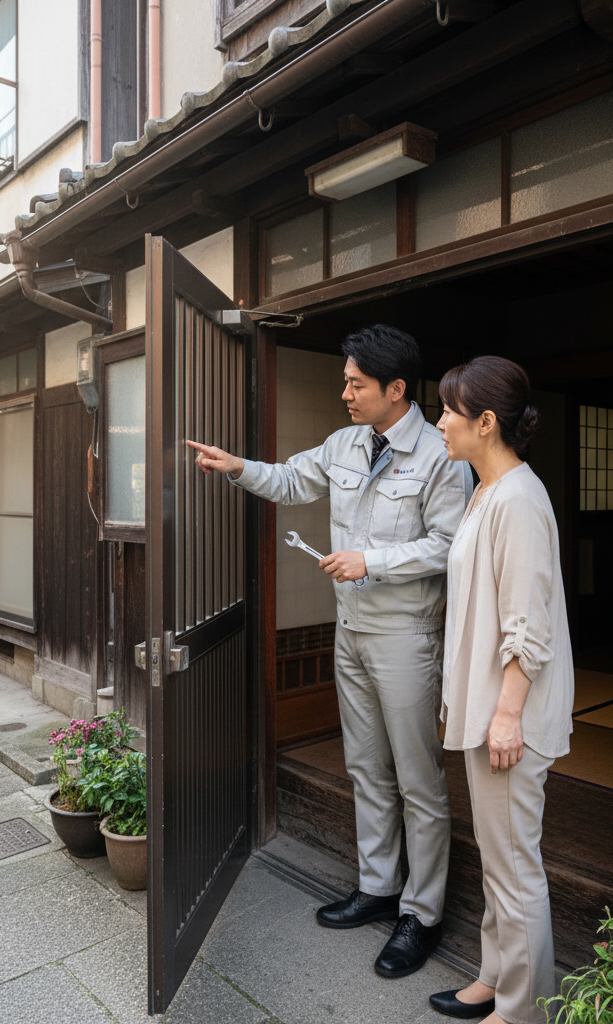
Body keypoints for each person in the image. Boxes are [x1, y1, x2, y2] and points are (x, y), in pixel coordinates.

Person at [187, 324, 472, 979]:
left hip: (406, 638)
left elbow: (448, 545)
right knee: (366, 767)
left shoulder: (440, 454)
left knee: (418, 780)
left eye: (356, 384)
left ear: (396, 389)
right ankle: (378, 888)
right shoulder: (345, 443)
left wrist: (371, 559)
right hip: (350, 633)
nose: (344, 392)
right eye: (345, 380)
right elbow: (290, 479)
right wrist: (237, 468)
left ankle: (422, 914)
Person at [428, 355, 574, 1024]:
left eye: (449, 412)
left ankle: (523, 1011)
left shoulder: (518, 498)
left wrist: (507, 715)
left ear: (485, 423)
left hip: (507, 717)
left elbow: (529, 624)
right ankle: (495, 975)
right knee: (497, 857)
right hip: (484, 708)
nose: (440, 423)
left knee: (515, 867)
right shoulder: (485, 489)